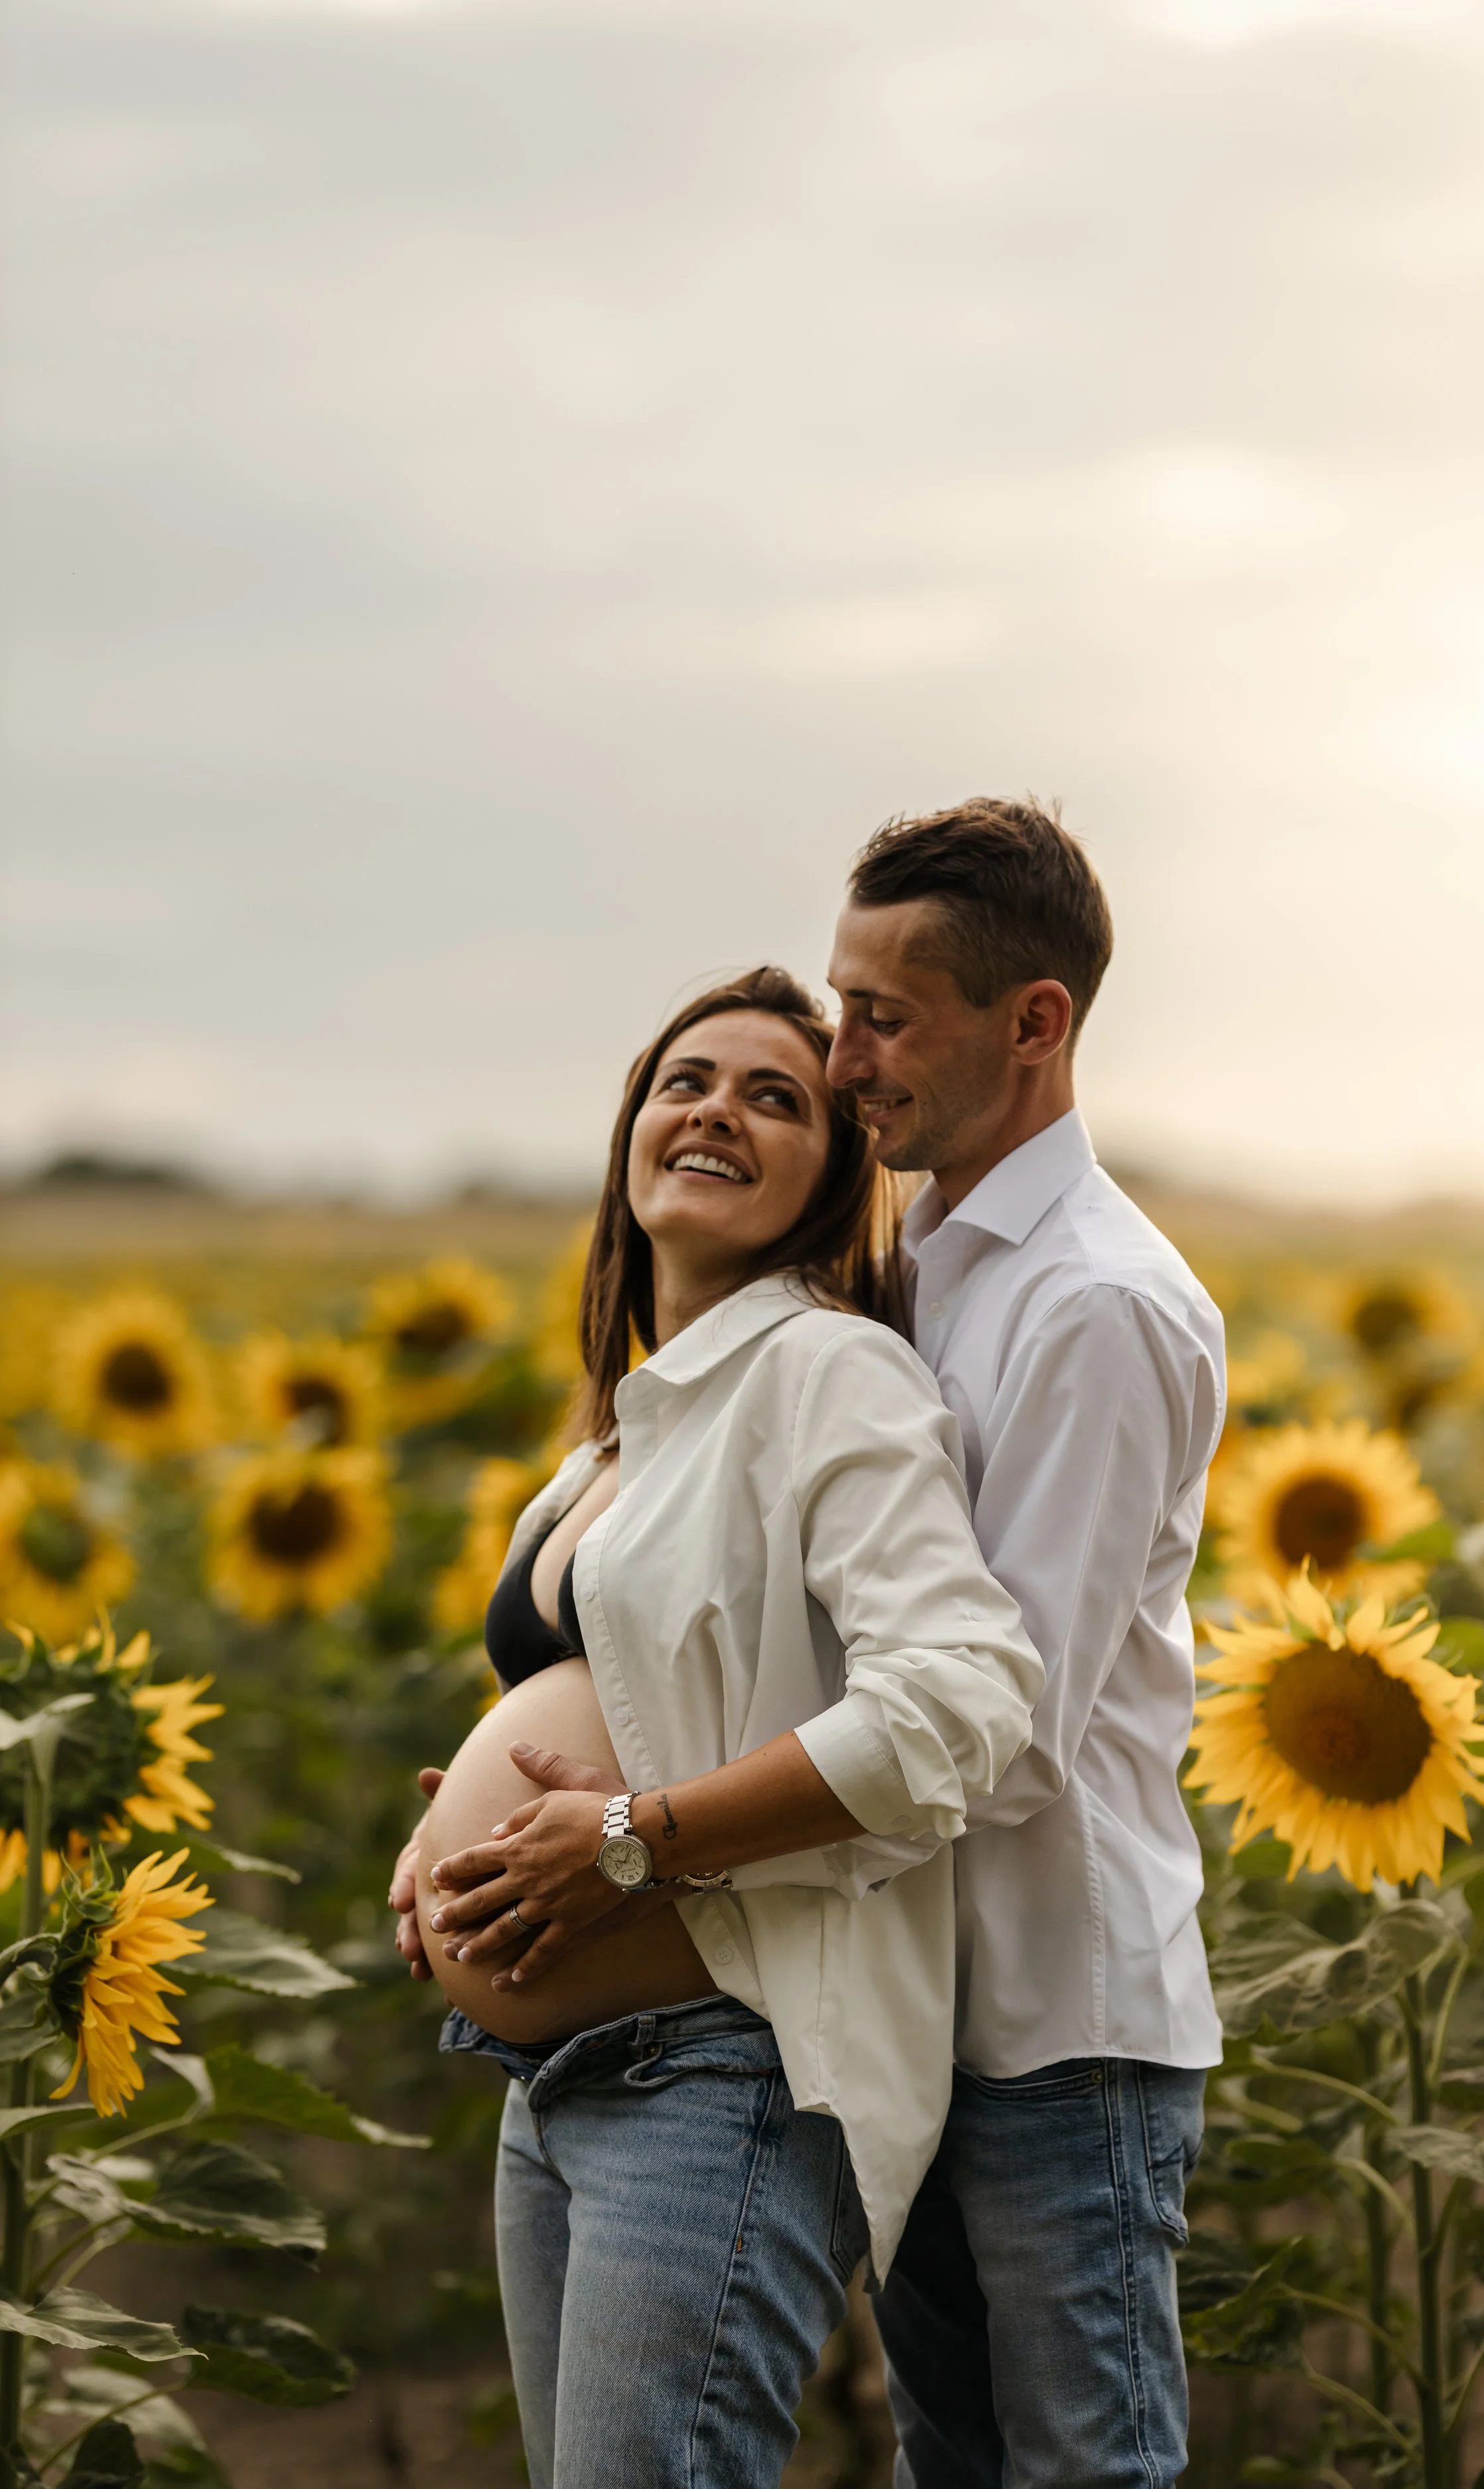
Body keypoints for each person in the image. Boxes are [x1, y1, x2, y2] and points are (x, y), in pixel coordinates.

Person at [389, 964, 1043, 2489]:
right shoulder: (621, 1431)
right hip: (550, 2086)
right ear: (632, 1128)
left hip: (719, 2078)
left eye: (775, 1098)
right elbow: (634, 1699)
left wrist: (623, 1839)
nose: (715, 1112)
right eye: (686, 1081)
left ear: (830, 1179)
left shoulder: (829, 1372)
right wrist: (458, 1843)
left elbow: (957, 1705)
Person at [822, 798, 1226, 2489]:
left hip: (1061, 2028)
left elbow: (1003, 1731)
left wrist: (673, 1832)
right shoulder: (926, 1265)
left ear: (1034, 1023)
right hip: (930, 2007)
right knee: (954, 2465)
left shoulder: (1091, 1306)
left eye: (883, 1018)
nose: (843, 1061)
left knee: (1079, 2471)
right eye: (842, 1012)